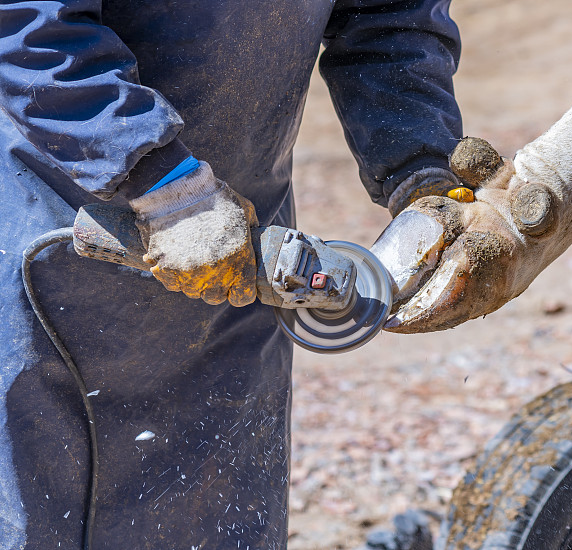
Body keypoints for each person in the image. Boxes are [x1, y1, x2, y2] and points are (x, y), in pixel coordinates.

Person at [0, 1, 464, 548]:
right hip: (61, 236)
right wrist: (163, 183)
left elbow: (391, 17)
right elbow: (30, 23)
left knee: (218, 516)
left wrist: (426, 173)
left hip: (242, 255)